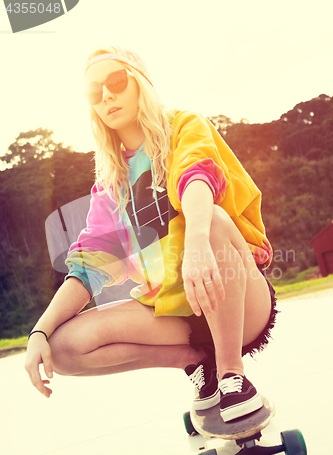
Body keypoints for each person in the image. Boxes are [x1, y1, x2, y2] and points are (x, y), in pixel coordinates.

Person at [25, 45, 277, 422]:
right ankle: (193, 364)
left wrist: (195, 246)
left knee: (213, 222)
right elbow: (89, 266)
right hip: (179, 318)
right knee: (60, 349)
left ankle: (232, 375)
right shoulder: (111, 182)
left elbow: (197, 177)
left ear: (140, 82)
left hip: (238, 303)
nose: (107, 94)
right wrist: (38, 333)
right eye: (95, 92)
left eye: (116, 81)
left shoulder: (183, 126)